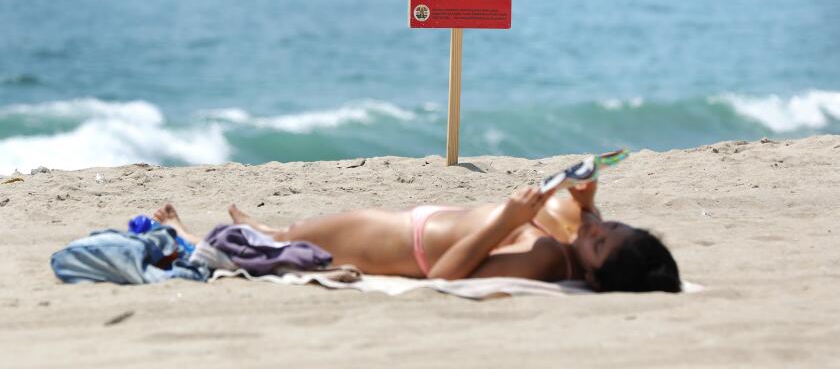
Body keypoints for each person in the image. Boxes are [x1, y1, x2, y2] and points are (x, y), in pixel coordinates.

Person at [154, 179, 680, 293]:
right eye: (612, 226)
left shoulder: (548, 261)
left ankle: (183, 233)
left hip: (404, 242)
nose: (597, 229)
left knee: (286, 241)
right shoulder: (573, 252)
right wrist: (587, 209)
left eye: (600, 239)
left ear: (592, 272)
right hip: (414, 225)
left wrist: (505, 221)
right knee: (285, 234)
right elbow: (601, 244)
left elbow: (447, 275)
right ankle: (263, 228)